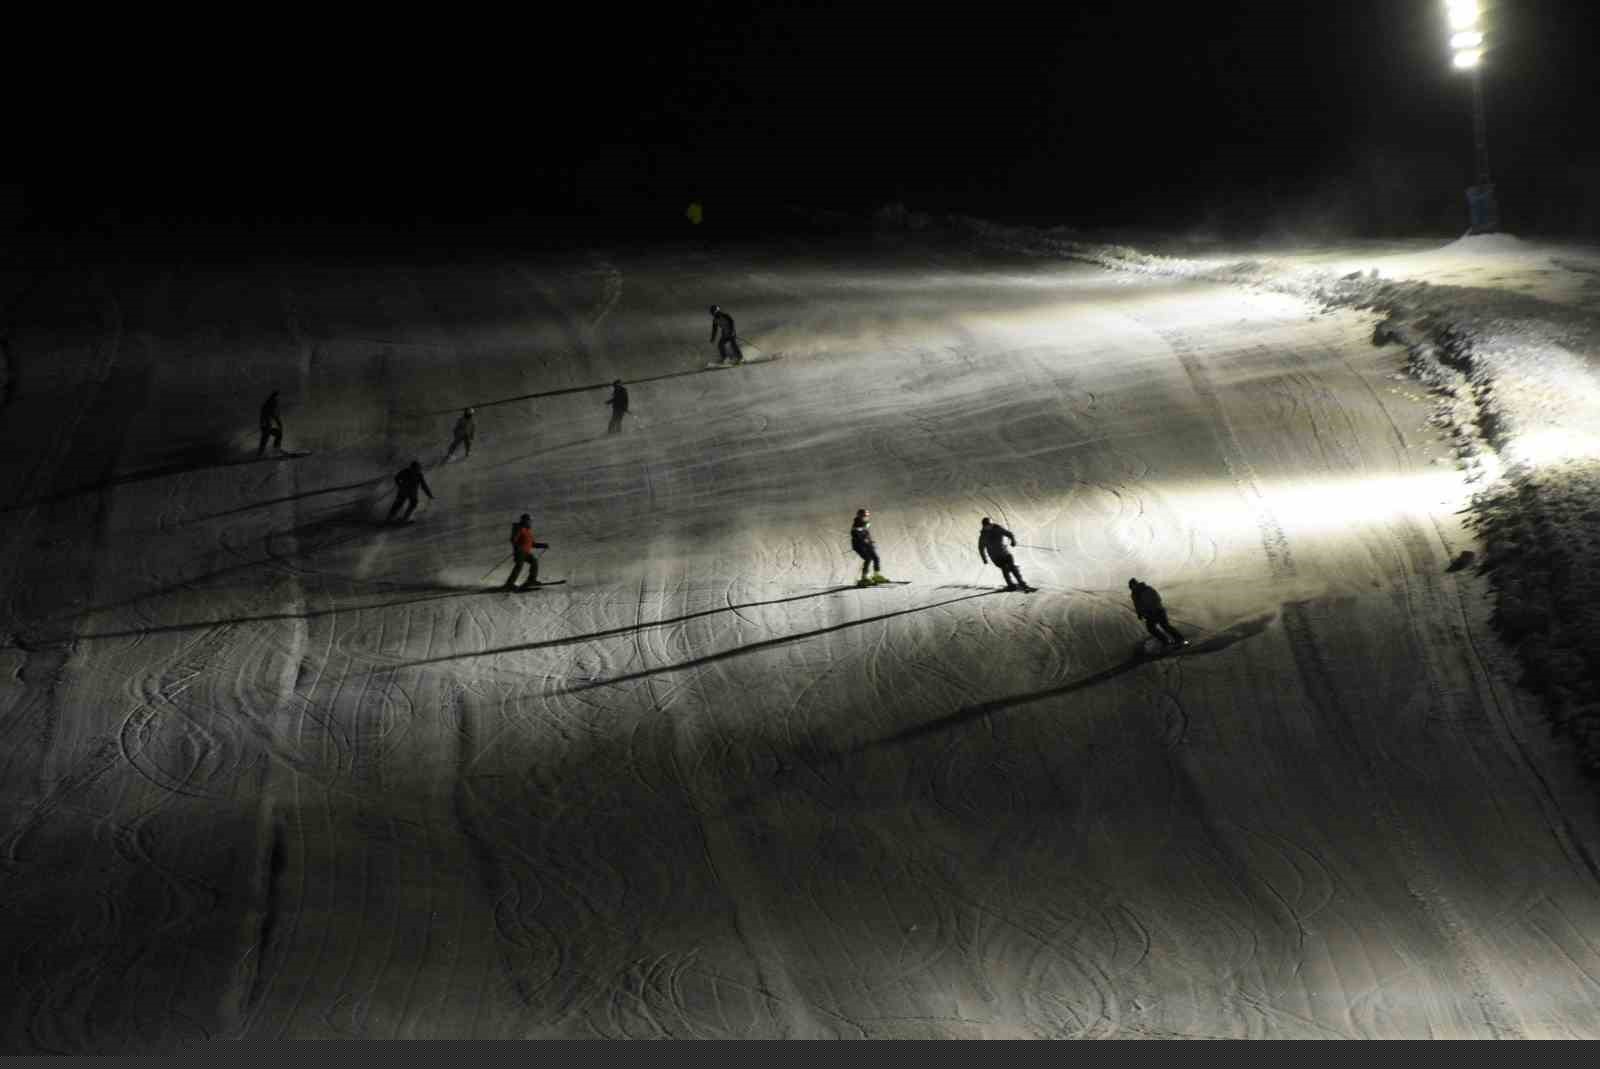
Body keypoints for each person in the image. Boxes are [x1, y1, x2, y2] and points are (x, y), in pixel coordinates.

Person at [1129, 578, 1186, 647]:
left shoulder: (1147, 589)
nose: (1132, 589)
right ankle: (1166, 641)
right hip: (1149, 615)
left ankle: (1180, 640)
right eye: (1131, 588)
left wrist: (1152, 610)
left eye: (1132, 587)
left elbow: (1157, 599)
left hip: (1158, 611)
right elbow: (1138, 606)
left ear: (1136, 584)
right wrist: (1140, 613)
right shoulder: (1134, 595)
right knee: (1151, 628)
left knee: (1165, 626)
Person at [979, 517, 1032, 591]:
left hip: (1005, 553)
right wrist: (984, 559)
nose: (989, 527)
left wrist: (1013, 541)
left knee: (1012, 567)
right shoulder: (983, 536)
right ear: (984, 526)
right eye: (987, 526)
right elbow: (981, 548)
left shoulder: (997, 529)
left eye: (990, 525)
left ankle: (1021, 583)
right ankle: (1011, 585)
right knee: (1004, 568)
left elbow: (1009, 534)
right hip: (995, 557)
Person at [503, 513, 550, 589]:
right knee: (519, 566)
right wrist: (517, 547)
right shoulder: (519, 528)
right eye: (528, 520)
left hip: (526, 552)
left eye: (530, 520)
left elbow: (532, 544)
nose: (530, 522)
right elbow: (513, 539)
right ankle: (509, 584)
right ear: (524, 520)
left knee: (534, 561)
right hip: (520, 552)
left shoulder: (528, 530)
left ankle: (531, 580)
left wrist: (543, 545)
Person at [851, 508, 887, 586]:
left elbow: (866, 533)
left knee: (876, 558)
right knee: (868, 558)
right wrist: (862, 539)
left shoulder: (866, 523)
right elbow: (854, 534)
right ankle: (864, 578)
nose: (865, 517)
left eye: (867, 516)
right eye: (863, 516)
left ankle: (876, 575)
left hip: (867, 544)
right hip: (859, 546)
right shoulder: (856, 524)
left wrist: (869, 541)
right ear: (859, 516)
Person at [258, 390, 283, 457]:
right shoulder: (269, 404)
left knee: (278, 434)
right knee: (266, 438)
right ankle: (260, 454)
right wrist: (278, 422)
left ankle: (275, 450)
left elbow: (274, 415)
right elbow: (271, 415)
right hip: (265, 426)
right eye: (277, 398)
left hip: (267, 426)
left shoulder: (272, 403)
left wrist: (279, 423)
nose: (278, 400)